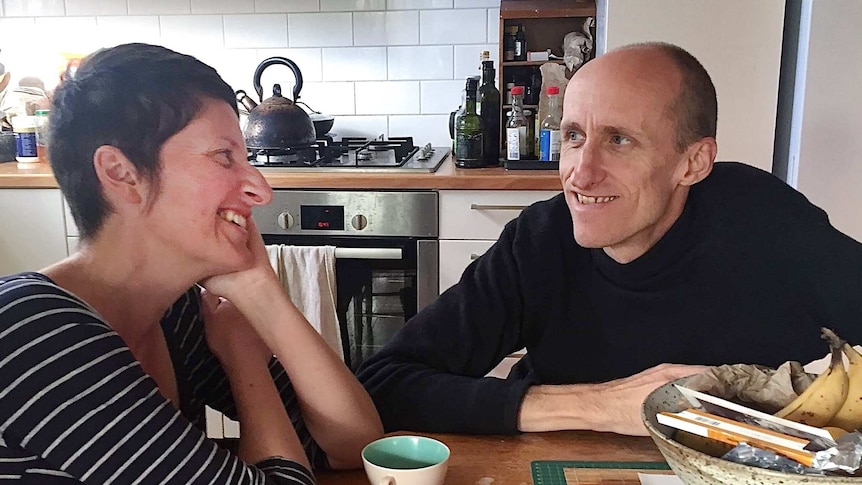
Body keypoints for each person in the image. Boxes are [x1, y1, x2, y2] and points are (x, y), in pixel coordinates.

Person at [357, 42, 862, 437]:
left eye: (619, 140)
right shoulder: (538, 242)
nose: (581, 173)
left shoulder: (769, 224)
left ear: (693, 162)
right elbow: (385, 385)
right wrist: (602, 405)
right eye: (574, 136)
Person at [0, 43, 383, 484]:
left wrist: (260, 290)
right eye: (224, 156)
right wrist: (245, 361)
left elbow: (352, 445)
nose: (261, 190)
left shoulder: (176, 314)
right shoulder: (33, 332)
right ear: (122, 174)